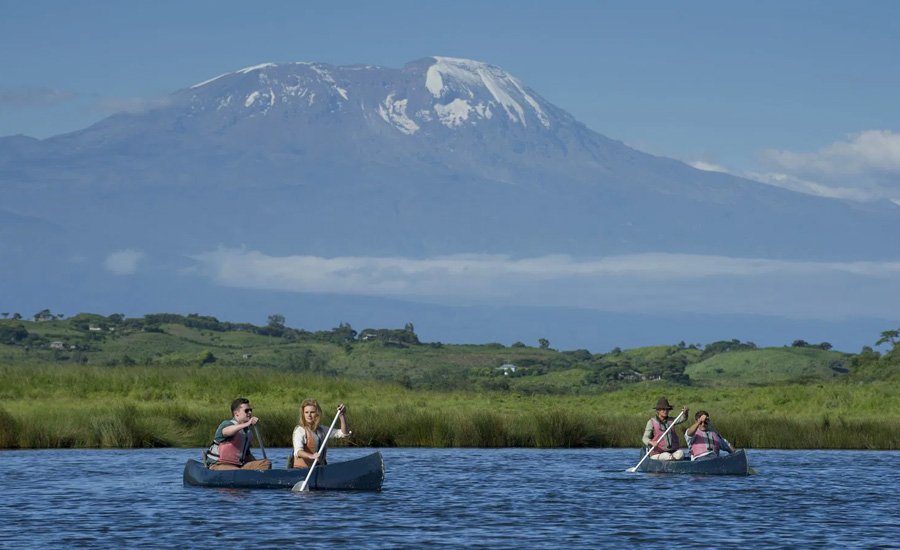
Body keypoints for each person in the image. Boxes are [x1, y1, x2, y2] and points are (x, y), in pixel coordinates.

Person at [205, 398, 272, 470]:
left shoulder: (247, 431)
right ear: (236, 413)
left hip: (238, 466)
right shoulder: (227, 424)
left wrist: (258, 466)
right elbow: (225, 432)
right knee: (236, 471)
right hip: (218, 464)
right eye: (246, 410)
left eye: (250, 410)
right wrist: (247, 424)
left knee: (266, 463)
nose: (249, 412)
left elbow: (247, 454)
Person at [291, 398, 351, 468]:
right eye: (306, 412)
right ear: (303, 414)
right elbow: (298, 452)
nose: (309, 415)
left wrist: (341, 416)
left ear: (317, 414)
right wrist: (311, 456)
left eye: (312, 412)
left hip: (320, 468)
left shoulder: (322, 430)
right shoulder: (300, 430)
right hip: (302, 470)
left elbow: (344, 433)